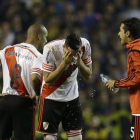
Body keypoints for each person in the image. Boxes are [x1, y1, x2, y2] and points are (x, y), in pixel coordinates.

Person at [36, 34, 92, 140]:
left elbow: (88, 75)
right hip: (51, 96)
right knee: (50, 137)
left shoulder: (85, 45)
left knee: (77, 137)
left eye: (77, 53)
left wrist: (79, 62)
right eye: (71, 53)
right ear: (64, 47)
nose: (74, 56)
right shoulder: (50, 49)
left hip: (72, 97)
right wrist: (64, 64)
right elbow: (47, 80)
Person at [0, 23, 48, 140]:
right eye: (45, 37)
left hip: (4, 101)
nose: (46, 41)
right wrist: (37, 94)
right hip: (24, 102)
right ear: (39, 36)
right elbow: (35, 78)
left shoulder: (7, 50)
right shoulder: (38, 56)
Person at [105, 17, 140, 140]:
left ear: (128, 33)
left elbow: (137, 78)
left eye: (120, 30)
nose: (118, 34)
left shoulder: (135, 51)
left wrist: (116, 83)